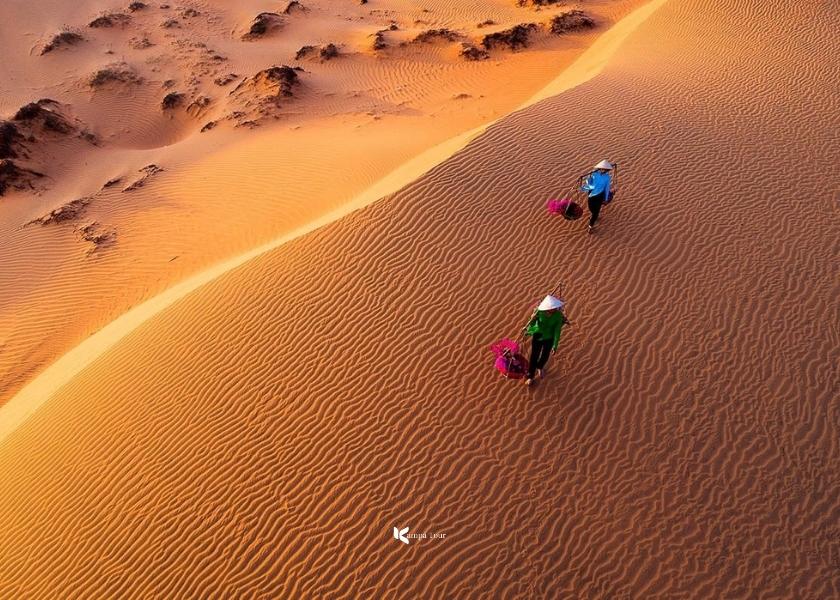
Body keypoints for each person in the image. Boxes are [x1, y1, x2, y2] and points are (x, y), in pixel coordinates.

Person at [522, 295, 570, 386]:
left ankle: (540, 367)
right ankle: (530, 376)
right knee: (534, 357)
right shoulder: (539, 312)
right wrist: (532, 319)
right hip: (538, 335)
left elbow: (557, 331)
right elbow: (531, 323)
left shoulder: (558, 316)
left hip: (549, 338)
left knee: (545, 355)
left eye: (555, 308)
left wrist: (555, 345)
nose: (554, 309)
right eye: (552, 308)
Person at [581, 159, 614, 232]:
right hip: (591, 194)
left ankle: (590, 226)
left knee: (595, 212)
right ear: (599, 168)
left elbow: (607, 188)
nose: (603, 170)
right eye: (602, 168)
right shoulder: (594, 174)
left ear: (607, 170)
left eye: (605, 169)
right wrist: (588, 178)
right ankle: (594, 215)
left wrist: (605, 198)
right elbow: (589, 183)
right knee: (591, 208)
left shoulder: (607, 177)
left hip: (600, 196)